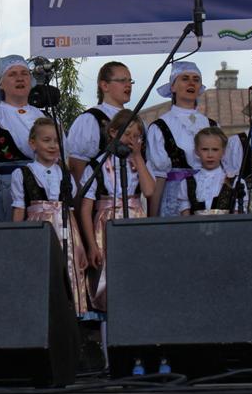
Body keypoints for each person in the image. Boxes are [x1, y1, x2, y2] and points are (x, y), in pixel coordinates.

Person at [11, 118, 89, 318]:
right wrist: (16, 240)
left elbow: (70, 210)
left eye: (56, 141)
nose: (53, 145)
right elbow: (19, 209)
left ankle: (68, 314)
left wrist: (79, 245)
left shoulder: (65, 175)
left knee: (67, 268)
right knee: (40, 269)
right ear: (33, 143)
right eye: (47, 140)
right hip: (39, 231)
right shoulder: (23, 173)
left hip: (65, 229)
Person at [79, 110, 154, 312]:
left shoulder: (139, 164)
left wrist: (137, 156)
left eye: (136, 136)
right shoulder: (97, 165)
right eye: (127, 134)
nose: (131, 139)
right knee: (107, 274)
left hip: (134, 220)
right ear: (113, 132)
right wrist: (91, 245)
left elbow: (148, 191)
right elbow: (85, 209)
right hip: (105, 224)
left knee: (134, 270)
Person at [0, 55, 47, 222]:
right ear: (1, 83)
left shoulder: (44, 118)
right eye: (12, 74)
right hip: (2, 195)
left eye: (24, 73)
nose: (20, 78)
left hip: (41, 193)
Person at [145, 61, 221, 217]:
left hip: (208, 197)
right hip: (174, 202)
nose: (191, 83)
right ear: (173, 87)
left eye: (196, 79)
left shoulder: (212, 125)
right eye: (185, 78)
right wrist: (153, 219)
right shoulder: (160, 127)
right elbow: (158, 177)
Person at [68, 62, 133, 183]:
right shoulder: (90, 120)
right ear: (104, 85)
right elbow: (77, 168)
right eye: (122, 81)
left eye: (130, 81)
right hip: (99, 193)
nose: (128, 85)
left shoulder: (135, 119)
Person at [178, 127, 238, 216]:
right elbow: (185, 217)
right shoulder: (186, 183)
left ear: (223, 152)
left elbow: (238, 216)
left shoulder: (236, 182)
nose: (210, 155)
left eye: (215, 150)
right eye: (205, 149)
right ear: (196, 151)